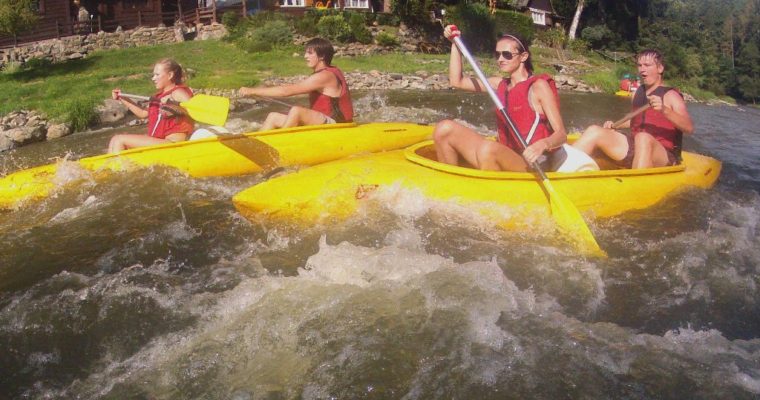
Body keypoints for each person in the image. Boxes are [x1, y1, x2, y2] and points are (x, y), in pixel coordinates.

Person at [433, 26, 569, 172]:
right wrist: (455, 44)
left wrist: (543, 144)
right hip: (505, 154)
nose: (501, 59)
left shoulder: (538, 87)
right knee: (444, 129)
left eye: (507, 55)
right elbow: (456, 81)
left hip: (533, 163)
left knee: (488, 149)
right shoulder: (499, 84)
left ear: (523, 56)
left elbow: (561, 134)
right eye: (497, 55)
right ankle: (453, 188)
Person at [572, 49, 694, 169]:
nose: (642, 69)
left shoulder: (671, 95)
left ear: (660, 69)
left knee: (643, 137)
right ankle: (565, 169)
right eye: (640, 65)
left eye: (647, 65)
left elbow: (688, 127)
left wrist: (664, 110)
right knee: (594, 130)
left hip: (663, 154)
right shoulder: (637, 93)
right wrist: (615, 126)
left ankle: (638, 182)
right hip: (635, 145)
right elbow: (635, 120)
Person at [238, 38, 353, 131]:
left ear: (322, 56)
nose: (305, 56)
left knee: (297, 111)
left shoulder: (324, 76)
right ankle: (259, 145)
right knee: (273, 116)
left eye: (310, 53)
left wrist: (252, 91)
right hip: (323, 122)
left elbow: (286, 91)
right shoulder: (326, 72)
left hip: (337, 126)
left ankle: (280, 144)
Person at [108, 58, 194, 153]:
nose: (153, 78)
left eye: (157, 75)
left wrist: (175, 106)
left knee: (119, 140)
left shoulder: (178, 92)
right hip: (160, 142)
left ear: (170, 75)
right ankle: (109, 166)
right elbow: (143, 113)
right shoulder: (158, 96)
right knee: (114, 140)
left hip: (173, 144)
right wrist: (121, 98)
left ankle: (115, 168)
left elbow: (193, 111)